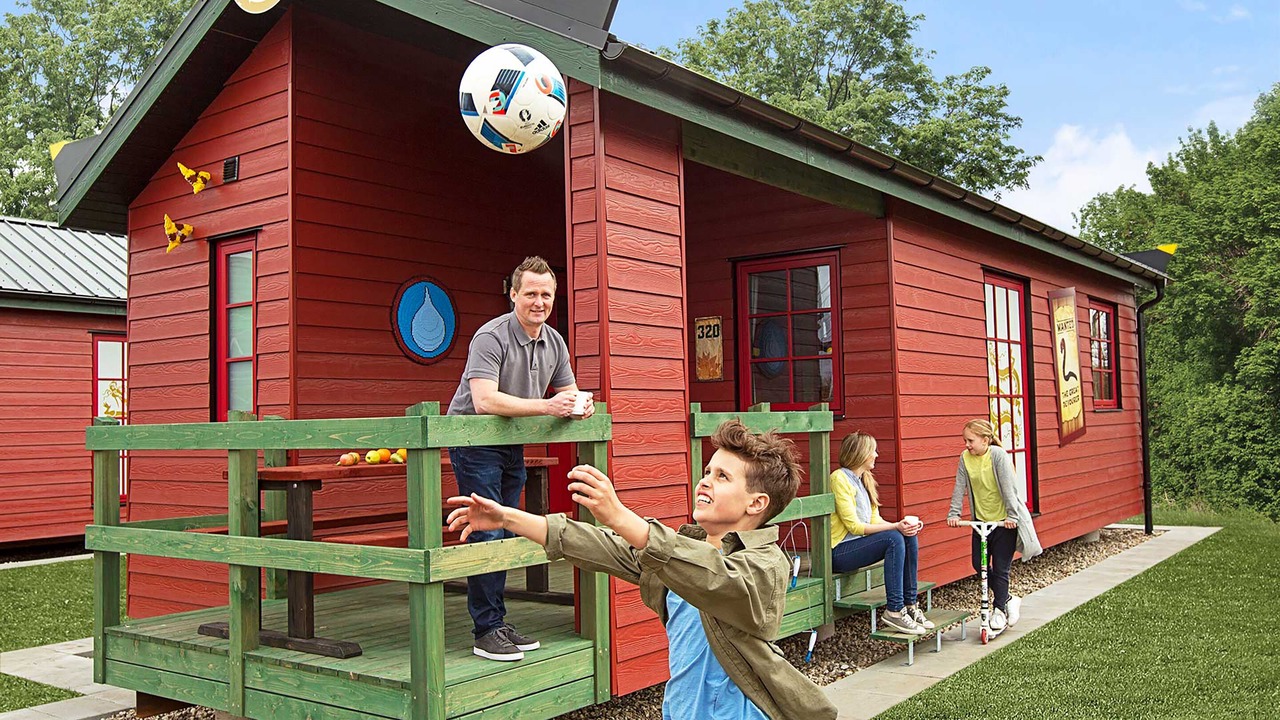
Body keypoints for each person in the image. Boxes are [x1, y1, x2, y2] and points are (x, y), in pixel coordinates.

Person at [446, 420, 838, 720]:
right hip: (683, 708)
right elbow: (600, 546)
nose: (705, 481)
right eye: (707, 471)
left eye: (722, 476)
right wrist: (508, 517)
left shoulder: (764, 566)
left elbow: (714, 577)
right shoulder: (688, 547)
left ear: (756, 504)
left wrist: (619, 515)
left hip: (736, 710)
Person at [446, 255, 594, 662]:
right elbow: (483, 400)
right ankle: (486, 629)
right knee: (489, 531)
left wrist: (583, 406)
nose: (539, 301)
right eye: (530, 293)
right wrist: (548, 407)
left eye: (546, 294)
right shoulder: (490, 337)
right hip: (473, 441)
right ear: (513, 294)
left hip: (511, 441)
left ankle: (497, 622)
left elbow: (570, 393)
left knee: (509, 528)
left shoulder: (555, 341)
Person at [828, 431, 931, 635]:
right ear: (860, 453)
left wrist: (902, 525)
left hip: (858, 546)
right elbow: (855, 527)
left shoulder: (864, 480)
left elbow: (875, 521)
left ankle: (910, 605)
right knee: (894, 537)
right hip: (839, 551)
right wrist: (895, 528)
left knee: (907, 536)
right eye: (873, 451)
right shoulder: (839, 478)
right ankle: (894, 610)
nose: (876, 454)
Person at [945, 419, 1042, 632]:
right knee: (978, 565)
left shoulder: (997, 455)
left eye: (970, 440)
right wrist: (954, 513)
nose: (967, 445)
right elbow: (959, 486)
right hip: (981, 522)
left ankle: (998, 610)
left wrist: (1012, 517)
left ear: (985, 440)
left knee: (1000, 568)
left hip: (1003, 522)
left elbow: (1010, 489)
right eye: (965, 440)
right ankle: (1007, 598)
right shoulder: (965, 458)